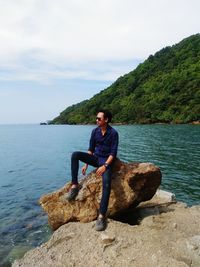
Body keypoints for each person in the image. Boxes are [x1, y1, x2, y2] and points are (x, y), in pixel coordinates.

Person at [65, 109, 119, 231]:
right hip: (95, 158)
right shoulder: (95, 132)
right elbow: (91, 149)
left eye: (99, 118)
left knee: (106, 183)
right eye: (96, 118)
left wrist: (105, 166)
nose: (96, 120)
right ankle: (74, 185)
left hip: (106, 161)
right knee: (75, 155)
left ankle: (101, 216)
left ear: (106, 120)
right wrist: (86, 164)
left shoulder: (113, 133)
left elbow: (113, 153)